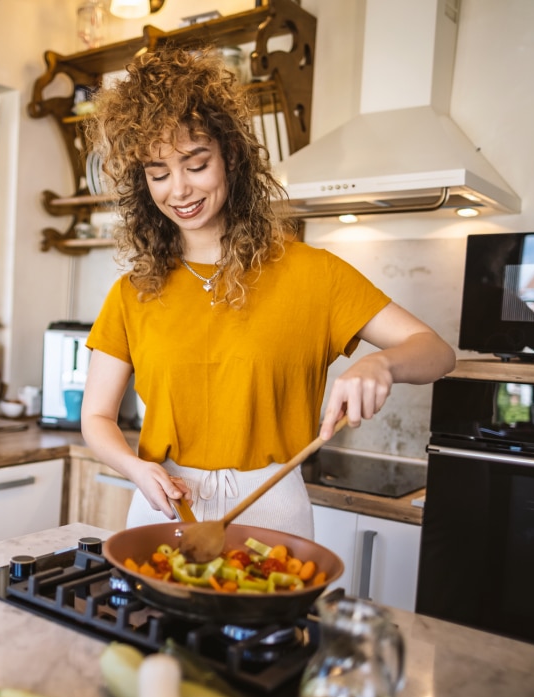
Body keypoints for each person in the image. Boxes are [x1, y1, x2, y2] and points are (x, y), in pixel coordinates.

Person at [79, 47, 456, 537]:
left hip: (272, 506)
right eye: (158, 173)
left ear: (230, 155)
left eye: (196, 164)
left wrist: (379, 363)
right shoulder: (134, 292)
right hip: (163, 503)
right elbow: (97, 416)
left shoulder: (312, 273)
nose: (179, 190)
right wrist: (135, 468)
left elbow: (436, 352)